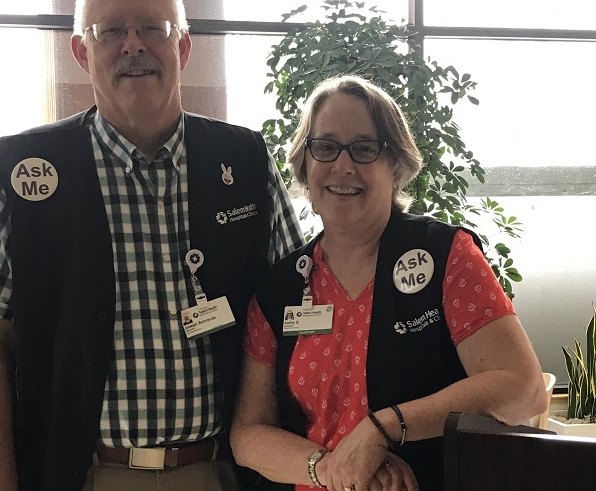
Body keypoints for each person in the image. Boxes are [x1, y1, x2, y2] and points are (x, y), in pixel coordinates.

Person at [0, 0, 303, 491]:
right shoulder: (26, 174)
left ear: (182, 45)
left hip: (224, 473)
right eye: (111, 30)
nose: (133, 44)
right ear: (80, 50)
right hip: (84, 475)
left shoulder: (248, 162)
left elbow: (295, 314)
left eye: (152, 28)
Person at [229, 74, 547, 491]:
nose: (343, 166)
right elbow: (247, 435)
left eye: (364, 148)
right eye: (325, 147)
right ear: (305, 164)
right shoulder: (279, 288)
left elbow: (523, 390)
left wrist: (384, 429)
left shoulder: (444, 256)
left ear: (395, 165)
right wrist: (332, 468)